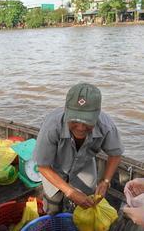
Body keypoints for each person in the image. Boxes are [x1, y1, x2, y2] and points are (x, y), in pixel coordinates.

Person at [33, 83, 124, 214]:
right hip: (55, 169)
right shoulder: (52, 126)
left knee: (87, 207)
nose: (81, 127)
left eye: (87, 121)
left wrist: (105, 181)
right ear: (66, 110)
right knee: (52, 209)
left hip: (84, 167)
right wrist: (70, 191)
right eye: (74, 120)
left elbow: (115, 154)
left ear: (97, 115)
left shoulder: (106, 126)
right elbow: (43, 166)